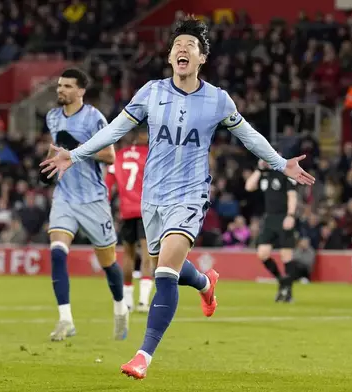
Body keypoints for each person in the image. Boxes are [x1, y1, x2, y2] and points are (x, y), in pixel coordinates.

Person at [40, 16, 315, 380]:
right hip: (152, 196)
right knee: (161, 267)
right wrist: (73, 155)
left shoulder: (218, 99)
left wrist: (281, 164)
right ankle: (204, 282)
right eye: (177, 45)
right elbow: (114, 131)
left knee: (164, 273)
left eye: (191, 46)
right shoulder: (151, 92)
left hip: (189, 195)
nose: (182, 49)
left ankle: (143, 355)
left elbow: (248, 135)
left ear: (202, 58)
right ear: (170, 56)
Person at [41, 68, 129, 342]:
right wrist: (47, 166)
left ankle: (120, 308)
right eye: (59, 85)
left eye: (67, 86)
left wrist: (77, 148)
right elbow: (55, 149)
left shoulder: (94, 118)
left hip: (93, 199)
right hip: (65, 196)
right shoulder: (53, 117)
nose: (61, 90)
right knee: (57, 252)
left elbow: (110, 156)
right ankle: (65, 320)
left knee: (108, 263)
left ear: (81, 91)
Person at [105, 128, 154, 312]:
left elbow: (108, 185)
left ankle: (127, 302)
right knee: (147, 253)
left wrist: (105, 206)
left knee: (128, 254)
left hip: (126, 211)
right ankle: (143, 301)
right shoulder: (150, 154)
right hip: (145, 210)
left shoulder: (118, 156)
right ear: (141, 136)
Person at [244, 153, 299, 302]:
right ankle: (282, 281)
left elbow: (292, 196)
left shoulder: (285, 173)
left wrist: (291, 215)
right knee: (262, 253)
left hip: (284, 217)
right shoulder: (264, 174)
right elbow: (249, 186)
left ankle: (288, 291)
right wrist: (259, 169)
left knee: (286, 255)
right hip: (269, 218)